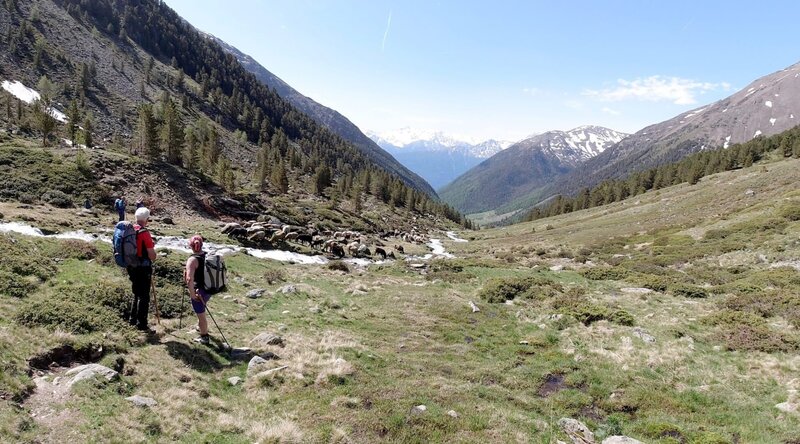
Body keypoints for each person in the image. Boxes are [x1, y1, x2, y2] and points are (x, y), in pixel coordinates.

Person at [128, 207, 157, 332]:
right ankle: (142, 325)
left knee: (136, 293)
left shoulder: (130, 230)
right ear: (146, 219)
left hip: (131, 266)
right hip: (143, 267)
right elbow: (152, 255)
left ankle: (132, 320)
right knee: (144, 296)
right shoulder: (144, 233)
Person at [184, 235, 212, 344]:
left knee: (201, 314)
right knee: (202, 310)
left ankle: (204, 336)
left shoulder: (192, 260)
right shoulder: (207, 255)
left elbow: (189, 279)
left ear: (191, 246)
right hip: (208, 289)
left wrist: (192, 294)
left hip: (199, 292)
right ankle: (200, 326)